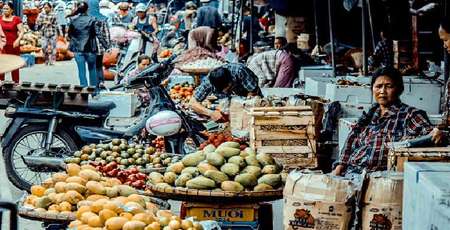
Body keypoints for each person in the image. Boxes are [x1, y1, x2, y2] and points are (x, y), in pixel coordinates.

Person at [332, 67, 443, 176]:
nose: (382, 91)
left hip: (382, 177)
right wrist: (339, 168)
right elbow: (350, 142)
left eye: (388, 86)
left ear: (399, 89)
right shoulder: (368, 116)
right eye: (378, 87)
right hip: (352, 173)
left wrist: (436, 133)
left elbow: (432, 135)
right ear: (372, 89)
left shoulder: (410, 115)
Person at [189, 63, 262, 121]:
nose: (225, 91)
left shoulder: (240, 71)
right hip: (229, 107)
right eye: (221, 90)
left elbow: (253, 91)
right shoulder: (208, 82)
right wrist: (211, 113)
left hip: (247, 96)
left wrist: (244, 108)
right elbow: (192, 103)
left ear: (231, 81)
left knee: (253, 118)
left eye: (227, 88)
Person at [67, 1, 98, 87]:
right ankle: (94, 91)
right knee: (92, 69)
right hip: (91, 48)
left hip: (78, 49)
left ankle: (84, 91)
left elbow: (69, 35)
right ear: (87, 9)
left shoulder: (73, 20)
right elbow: (96, 33)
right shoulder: (93, 19)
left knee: (81, 71)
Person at [88, 0, 111, 88]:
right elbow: (106, 33)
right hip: (100, 47)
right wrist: (108, 46)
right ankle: (101, 81)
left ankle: (93, 84)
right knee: (98, 64)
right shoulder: (103, 18)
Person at [0, 2, 24, 82]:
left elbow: (21, 31)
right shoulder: (0, 18)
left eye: (7, 9)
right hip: (2, 45)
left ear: (12, 10)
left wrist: (18, 40)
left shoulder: (16, 19)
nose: (5, 10)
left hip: (13, 45)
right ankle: (1, 82)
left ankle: (16, 82)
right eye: (4, 9)